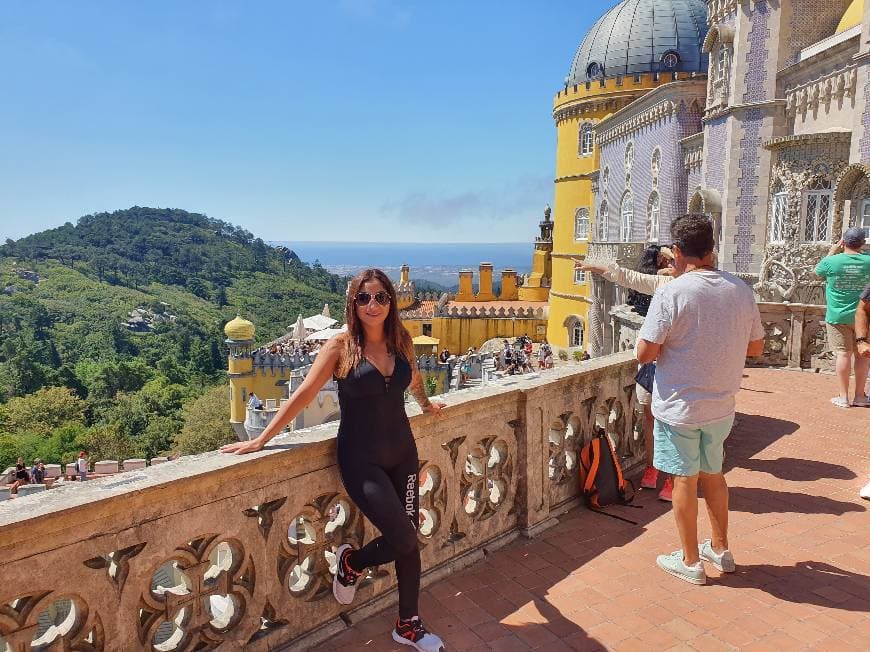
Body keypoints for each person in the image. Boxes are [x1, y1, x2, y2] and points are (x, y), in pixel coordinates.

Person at [221, 269, 445, 651]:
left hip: (404, 453)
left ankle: (406, 622)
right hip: (362, 458)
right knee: (405, 538)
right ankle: (353, 564)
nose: (372, 305)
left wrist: (424, 405)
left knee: (409, 540)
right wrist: (260, 438)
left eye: (380, 297)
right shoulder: (341, 347)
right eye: (363, 298)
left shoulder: (401, 340)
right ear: (352, 304)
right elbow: (304, 395)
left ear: (391, 302)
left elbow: (414, 379)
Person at [636, 214, 764, 585]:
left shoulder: (672, 292)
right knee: (715, 476)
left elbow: (644, 353)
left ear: (677, 252)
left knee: (684, 482)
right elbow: (755, 347)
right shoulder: (740, 289)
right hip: (721, 404)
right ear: (712, 248)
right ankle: (721, 550)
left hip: (680, 407)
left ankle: (691, 561)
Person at [576, 245, 677, 501]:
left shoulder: (695, 290)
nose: (668, 265)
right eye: (668, 261)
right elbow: (626, 276)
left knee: (674, 426)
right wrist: (593, 267)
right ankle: (653, 467)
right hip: (651, 367)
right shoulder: (663, 283)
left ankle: (674, 479)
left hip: (676, 369)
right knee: (650, 420)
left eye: (673, 260)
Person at [814, 227, 870, 408]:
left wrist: (833, 250)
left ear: (843, 242)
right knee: (863, 356)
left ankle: (843, 397)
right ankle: (860, 396)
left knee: (843, 354)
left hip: (838, 316)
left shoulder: (832, 262)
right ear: (862, 244)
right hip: (865, 317)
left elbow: (817, 272)